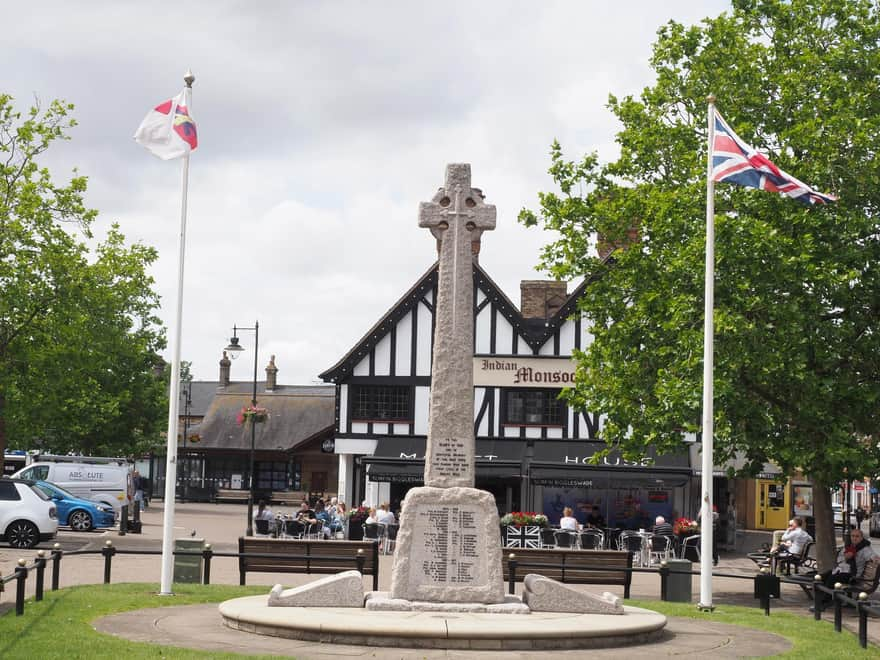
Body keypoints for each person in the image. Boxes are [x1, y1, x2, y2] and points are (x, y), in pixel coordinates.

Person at [812, 528, 877, 611]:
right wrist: (845, 557)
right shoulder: (849, 546)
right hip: (841, 570)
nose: (854, 538)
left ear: (861, 538)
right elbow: (840, 558)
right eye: (853, 536)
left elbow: (872, 556)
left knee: (832, 579)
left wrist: (875, 559)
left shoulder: (865, 548)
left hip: (852, 574)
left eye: (857, 536)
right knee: (820, 577)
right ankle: (819, 601)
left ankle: (824, 603)